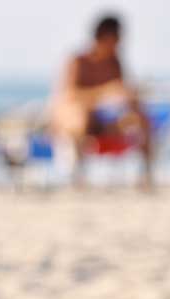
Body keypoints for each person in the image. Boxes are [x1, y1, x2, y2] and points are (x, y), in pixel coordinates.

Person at [50, 15, 154, 188]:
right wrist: (104, 92)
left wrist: (131, 100)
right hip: (77, 119)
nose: (119, 44)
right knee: (81, 116)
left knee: (140, 117)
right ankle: (77, 175)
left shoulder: (114, 62)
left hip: (104, 119)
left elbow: (120, 93)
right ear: (104, 37)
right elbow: (68, 95)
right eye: (117, 39)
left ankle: (146, 175)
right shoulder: (79, 61)